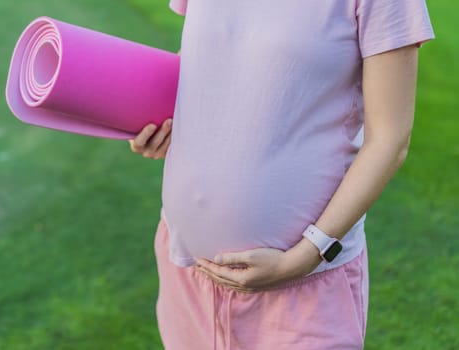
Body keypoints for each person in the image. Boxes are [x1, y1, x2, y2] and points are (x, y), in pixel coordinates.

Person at [129, 0, 435, 349]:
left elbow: (389, 140)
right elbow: (208, 55)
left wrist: (306, 256)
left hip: (302, 291)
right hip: (186, 268)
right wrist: (155, 118)